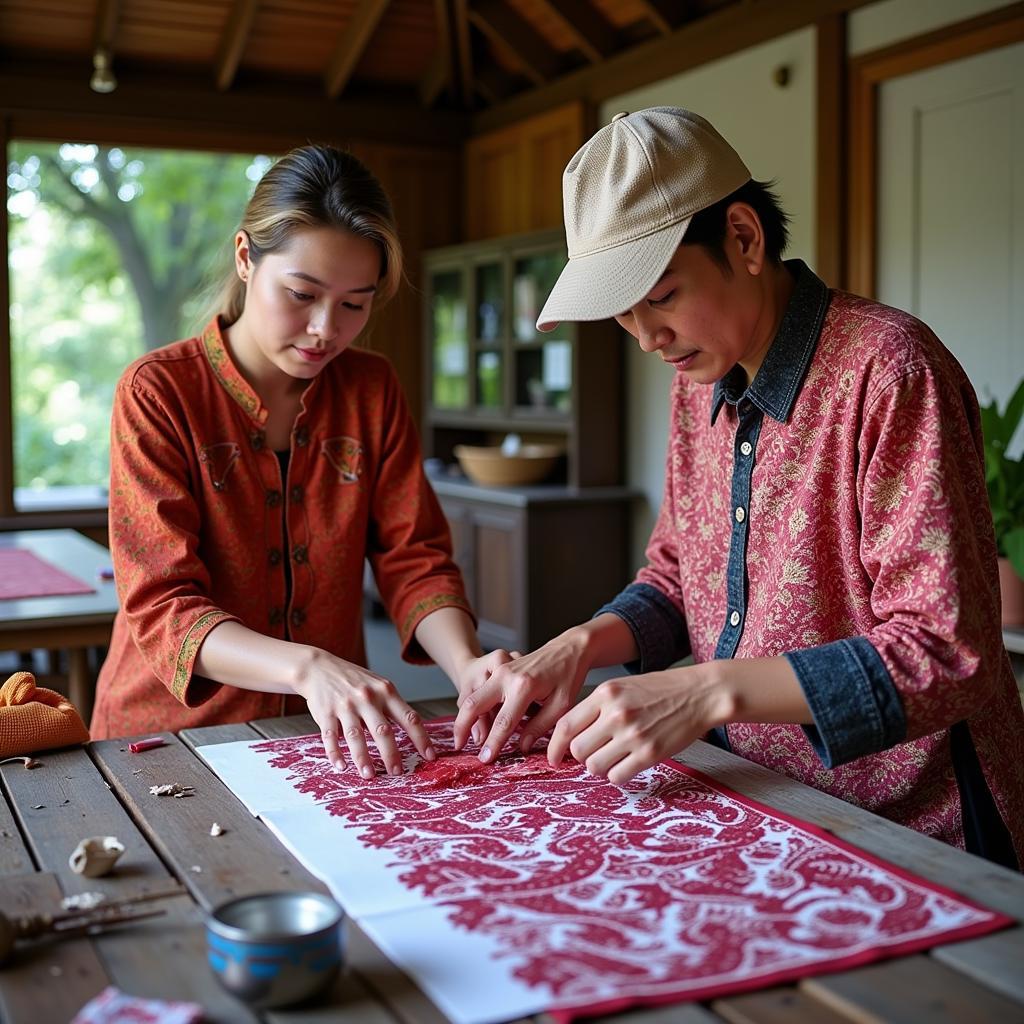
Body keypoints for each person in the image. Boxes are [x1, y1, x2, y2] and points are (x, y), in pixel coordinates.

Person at [452, 106, 1024, 868]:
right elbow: (675, 573)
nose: (646, 336)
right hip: (757, 790)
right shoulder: (700, 379)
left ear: (745, 239)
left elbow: (946, 653)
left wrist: (707, 691)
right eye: (621, 312)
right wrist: (577, 646)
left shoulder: (890, 371)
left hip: (919, 822)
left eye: (660, 295)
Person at [92, 144, 506, 777]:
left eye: (353, 304)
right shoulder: (159, 391)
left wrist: (468, 665)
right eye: (302, 293)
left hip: (325, 737)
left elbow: (413, 556)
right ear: (244, 258)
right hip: (167, 741)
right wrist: (306, 663)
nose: (324, 329)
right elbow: (162, 603)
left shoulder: (371, 388)